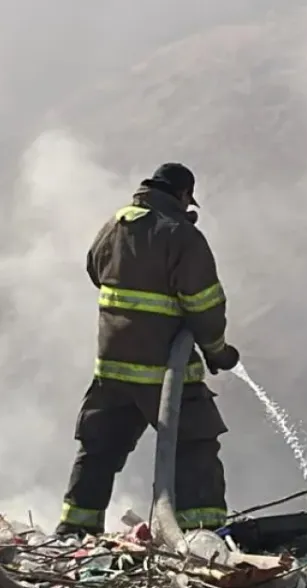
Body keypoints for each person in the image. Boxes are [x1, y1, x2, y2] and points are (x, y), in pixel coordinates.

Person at [57, 162, 240, 537]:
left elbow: (95, 270)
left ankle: (74, 530)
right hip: (165, 371)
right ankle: (201, 536)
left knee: (99, 448)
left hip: (112, 369)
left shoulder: (114, 225)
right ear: (184, 195)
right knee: (195, 447)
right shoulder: (180, 237)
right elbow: (205, 305)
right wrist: (218, 351)